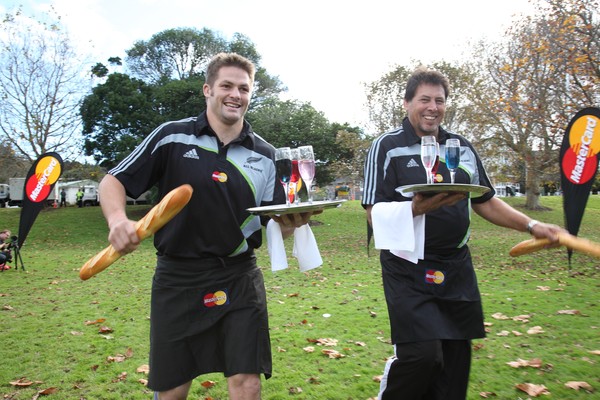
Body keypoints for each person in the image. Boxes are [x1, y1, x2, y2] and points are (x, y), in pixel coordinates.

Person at [98, 52, 317, 400]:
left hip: (239, 277)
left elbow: (277, 224)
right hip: (177, 279)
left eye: (243, 88)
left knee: (247, 383)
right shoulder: (171, 136)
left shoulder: (267, 155)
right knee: (172, 390)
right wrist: (118, 220)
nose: (235, 94)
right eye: (226, 85)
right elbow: (114, 181)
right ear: (207, 90)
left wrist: (292, 223)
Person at [362, 66, 566, 400]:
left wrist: (532, 225)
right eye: (424, 99)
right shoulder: (387, 146)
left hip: (457, 266)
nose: (432, 107)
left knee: (455, 369)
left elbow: (484, 200)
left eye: (439, 100)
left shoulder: (461, 146)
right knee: (421, 357)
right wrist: (417, 208)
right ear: (406, 103)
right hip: (407, 267)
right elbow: (372, 212)